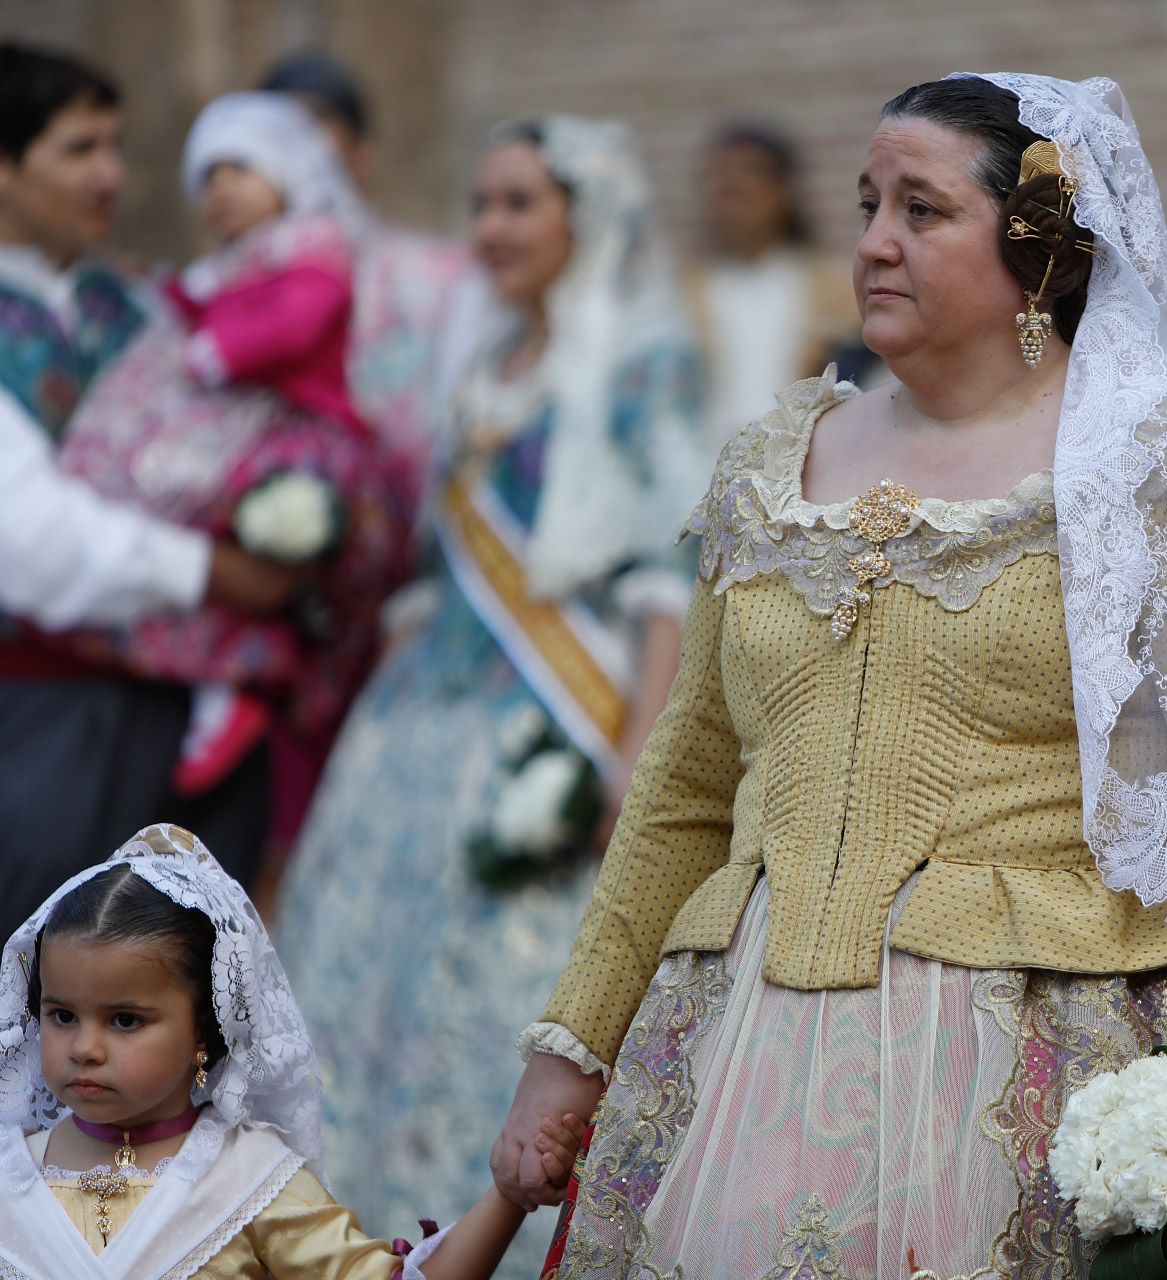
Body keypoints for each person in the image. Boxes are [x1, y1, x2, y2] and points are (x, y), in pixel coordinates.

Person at [502, 75, 1167, 1280]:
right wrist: (572, 1039)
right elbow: (686, 781)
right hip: (731, 1049)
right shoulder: (771, 465)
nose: (874, 242)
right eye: (868, 203)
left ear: (1038, 243)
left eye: (923, 210)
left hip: (1036, 1050)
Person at [272, 115, 706, 1277]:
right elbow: (430, 574)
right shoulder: (483, 364)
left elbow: (671, 572)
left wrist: (638, 748)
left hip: (554, 729)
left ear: (586, 215)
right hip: (418, 725)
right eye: (480, 204)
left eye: (519, 203)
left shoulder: (645, 361)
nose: (491, 229)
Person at [0, 823, 586, 1278]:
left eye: (125, 1020)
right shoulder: (11, 1175)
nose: (85, 1048)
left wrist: (509, 1197)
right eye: (62, 1016)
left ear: (206, 1027)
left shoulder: (248, 1179)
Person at [0, 43, 299, 928]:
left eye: (116, 147)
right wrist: (214, 570)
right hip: (42, 718)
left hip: (193, 711)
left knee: (200, 1004)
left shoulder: (145, 305)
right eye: (79, 150)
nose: (110, 175)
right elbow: (27, 540)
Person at [52, 92, 408, 807]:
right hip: (236, 433)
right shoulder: (233, 266)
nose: (220, 192)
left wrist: (218, 353)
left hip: (294, 437)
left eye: (239, 170)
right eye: (208, 178)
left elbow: (298, 325)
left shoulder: (315, 252)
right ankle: (217, 689)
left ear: (288, 174)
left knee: (242, 551)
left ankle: (238, 692)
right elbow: (186, 304)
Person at [259, 50, 472, 514]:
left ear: (362, 153)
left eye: (312, 126)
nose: (290, 147)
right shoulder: (221, 292)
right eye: (269, 133)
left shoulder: (441, 277)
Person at [685, 122, 866, 460]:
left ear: (783, 190)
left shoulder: (834, 288)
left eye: (751, 174)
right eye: (721, 178)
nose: (733, 188)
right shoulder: (686, 295)